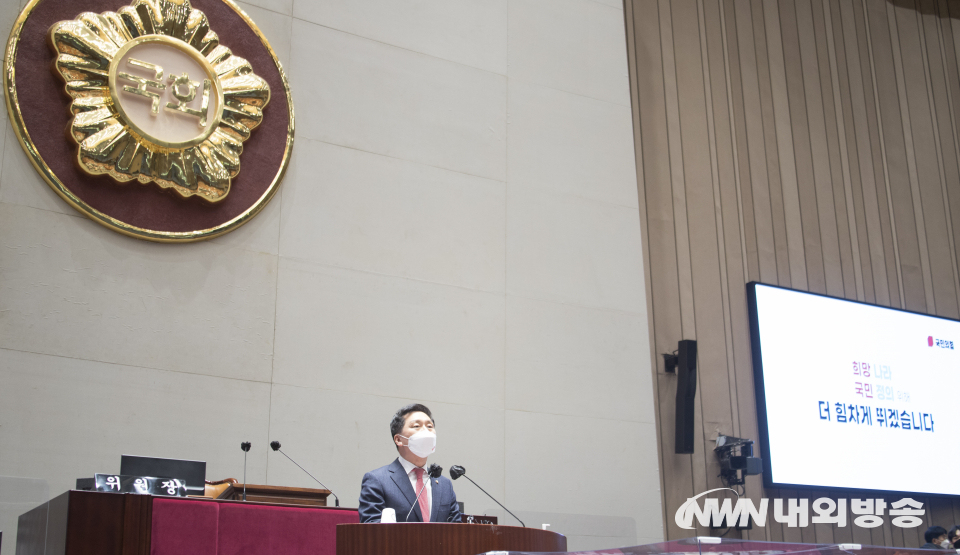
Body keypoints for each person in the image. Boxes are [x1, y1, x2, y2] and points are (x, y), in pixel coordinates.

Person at [358, 403, 462, 523]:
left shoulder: (445, 485)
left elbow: (456, 532)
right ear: (398, 439)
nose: (426, 431)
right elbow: (371, 530)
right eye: (416, 426)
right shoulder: (377, 480)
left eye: (430, 426)